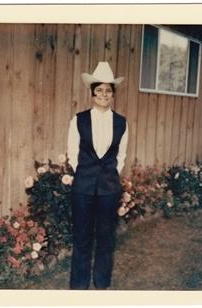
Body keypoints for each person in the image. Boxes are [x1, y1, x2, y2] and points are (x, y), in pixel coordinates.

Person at [67, 62, 128, 290]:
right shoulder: (79, 120)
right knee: (82, 238)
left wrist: (108, 177)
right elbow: (73, 153)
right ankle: (79, 286)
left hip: (109, 190)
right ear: (92, 92)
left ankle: (102, 283)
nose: (104, 94)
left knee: (106, 238)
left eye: (108, 90)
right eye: (99, 89)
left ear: (113, 94)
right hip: (82, 188)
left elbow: (121, 156)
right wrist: (85, 174)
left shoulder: (121, 122)